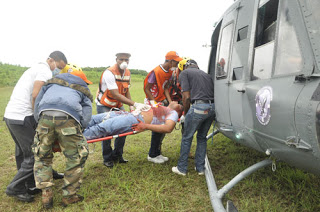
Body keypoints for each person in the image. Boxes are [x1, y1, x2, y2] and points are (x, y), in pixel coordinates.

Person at [3, 51, 67, 203]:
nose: (56, 70)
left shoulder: (34, 68)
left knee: (22, 152)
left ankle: (30, 182)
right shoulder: (44, 69)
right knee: (34, 154)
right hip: (23, 116)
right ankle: (15, 188)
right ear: (51, 60)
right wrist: (38, 117)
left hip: (12, 116)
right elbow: (35, 95)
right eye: (58, 66)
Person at [33, 71, 93, 208]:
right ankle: (69, 196)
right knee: (75, 157)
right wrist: (80, 128)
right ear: (82, 79)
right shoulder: (82, 88)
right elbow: (87, 112)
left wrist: (40, 123)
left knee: (42, 156)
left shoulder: (50, 84)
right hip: (68, 118)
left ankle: (46, 196)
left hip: (44, 118)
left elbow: (37, 103)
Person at [96, 52, 149, 168]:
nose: (124, 62)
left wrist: (130, 106)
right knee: (107, 130)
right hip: (105, 104)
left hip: (119, 104)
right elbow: (115, 94)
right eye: (121, 59)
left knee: (123, 128)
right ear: (116, 59)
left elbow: (126, 90)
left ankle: (118, 155)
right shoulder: (109, 73)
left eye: (126, 60)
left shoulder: (127, 73)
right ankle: (107, 158)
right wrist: (135, 104)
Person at [172, 59, 215, 176]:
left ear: (184, 67)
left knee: (187, 137)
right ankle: (200, 168)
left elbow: (186, 97)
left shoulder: (184, 73)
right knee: (202, 137)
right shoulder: (206, 75)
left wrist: (185, 115)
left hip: (198, 107)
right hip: (212, 108)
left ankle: (181, 168)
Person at [144, 51, 183, 164]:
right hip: (154, 102)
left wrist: (170, 102)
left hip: (162, 101)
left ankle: (157, 153)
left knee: (162, 128)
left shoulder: (170, 73)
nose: (177, 65)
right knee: (158, 127)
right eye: (176, 62)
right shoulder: (156, 72)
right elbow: (147, 89)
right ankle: (152, 154)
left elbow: (165, 88)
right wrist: (155, 103)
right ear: (170, 61)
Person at [83, 102, 183, 140]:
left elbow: (168, 128)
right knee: (94, 119)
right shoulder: (163, 107)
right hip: (129, 114)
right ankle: (72, 128)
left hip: (135, 119)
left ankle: (73, 139)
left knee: (101, 128)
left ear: (179, 110)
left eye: (178, 103)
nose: (175, 102)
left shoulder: (173, 113)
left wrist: (145, 126)